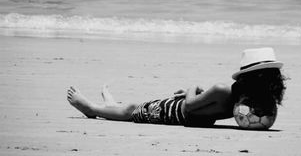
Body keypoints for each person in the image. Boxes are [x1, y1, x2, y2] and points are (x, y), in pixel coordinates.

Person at [67, 47, 286, 127]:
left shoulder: (224, 91)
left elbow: (190, 106)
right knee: (132, 110)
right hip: (179, 111)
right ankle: (107, 107)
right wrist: (197, 95)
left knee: (132, 110)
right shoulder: (250, 103)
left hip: (173, 114)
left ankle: (93, 109)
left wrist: (192, 88)